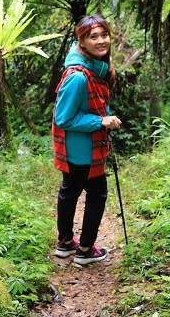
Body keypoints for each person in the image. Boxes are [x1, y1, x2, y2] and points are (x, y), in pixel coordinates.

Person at [51, 14, 122, 265]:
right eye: (94, 37)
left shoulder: (92, 67)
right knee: (96, 194)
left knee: (69, 193)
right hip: (82, 150)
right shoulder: (79, 76)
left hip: (80, 149)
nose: (101, 41)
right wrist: (100, 121)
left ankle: (66, 244)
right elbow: (63, 118)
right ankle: (85, 250)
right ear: (81, 41)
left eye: (104, 35)